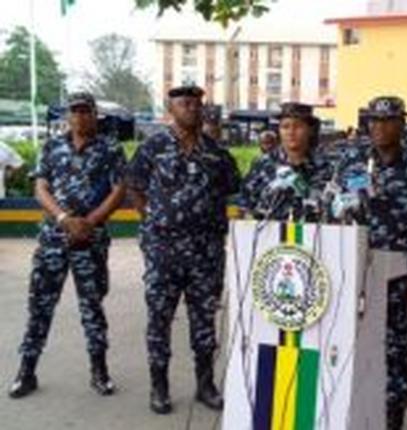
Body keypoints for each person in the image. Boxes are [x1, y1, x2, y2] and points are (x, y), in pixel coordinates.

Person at [334, 96, 407, 430]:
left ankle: (393, 413)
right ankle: (354, 410)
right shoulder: (351, 162)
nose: (379, 127)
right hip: (353, 272)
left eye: (387, 121)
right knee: (351, 346)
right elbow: (332, 206)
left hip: (400, 275)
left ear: (401, 125)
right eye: (374, 120)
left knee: (395, 350)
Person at [126, 85, 241, 414]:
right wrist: (150, 221)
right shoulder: (154, 146)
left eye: (196, 103)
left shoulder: (216, 152)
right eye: (184, 103)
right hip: (164, 251)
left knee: (204, 321)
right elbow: (134, 185)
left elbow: (232, 187)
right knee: (159, 320)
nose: (191, 108)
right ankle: (159, 387)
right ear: (170, 109)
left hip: (206, 253)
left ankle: (205, 385)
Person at [8, 92, 126, 399]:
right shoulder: (51, 147)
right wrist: (63, 219)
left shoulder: (110, 148)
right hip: (53, 240)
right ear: (67, 115)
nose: (80, 116)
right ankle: (26, 371)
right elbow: (40, 187)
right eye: (74, 111)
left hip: (92, 240)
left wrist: (90, 221)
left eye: (86, 111)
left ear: (95, 114)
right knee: (40, 306)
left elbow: (119, 189)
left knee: (92, 307)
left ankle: (99, 372)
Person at [239, 102, 329, 221]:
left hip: (313, 235)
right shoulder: (264, 163)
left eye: (298, 126)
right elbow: (246, 201)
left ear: (310, 130)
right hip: (270, 233)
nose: (291, 132)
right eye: (285, 127)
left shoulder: (324, 166)